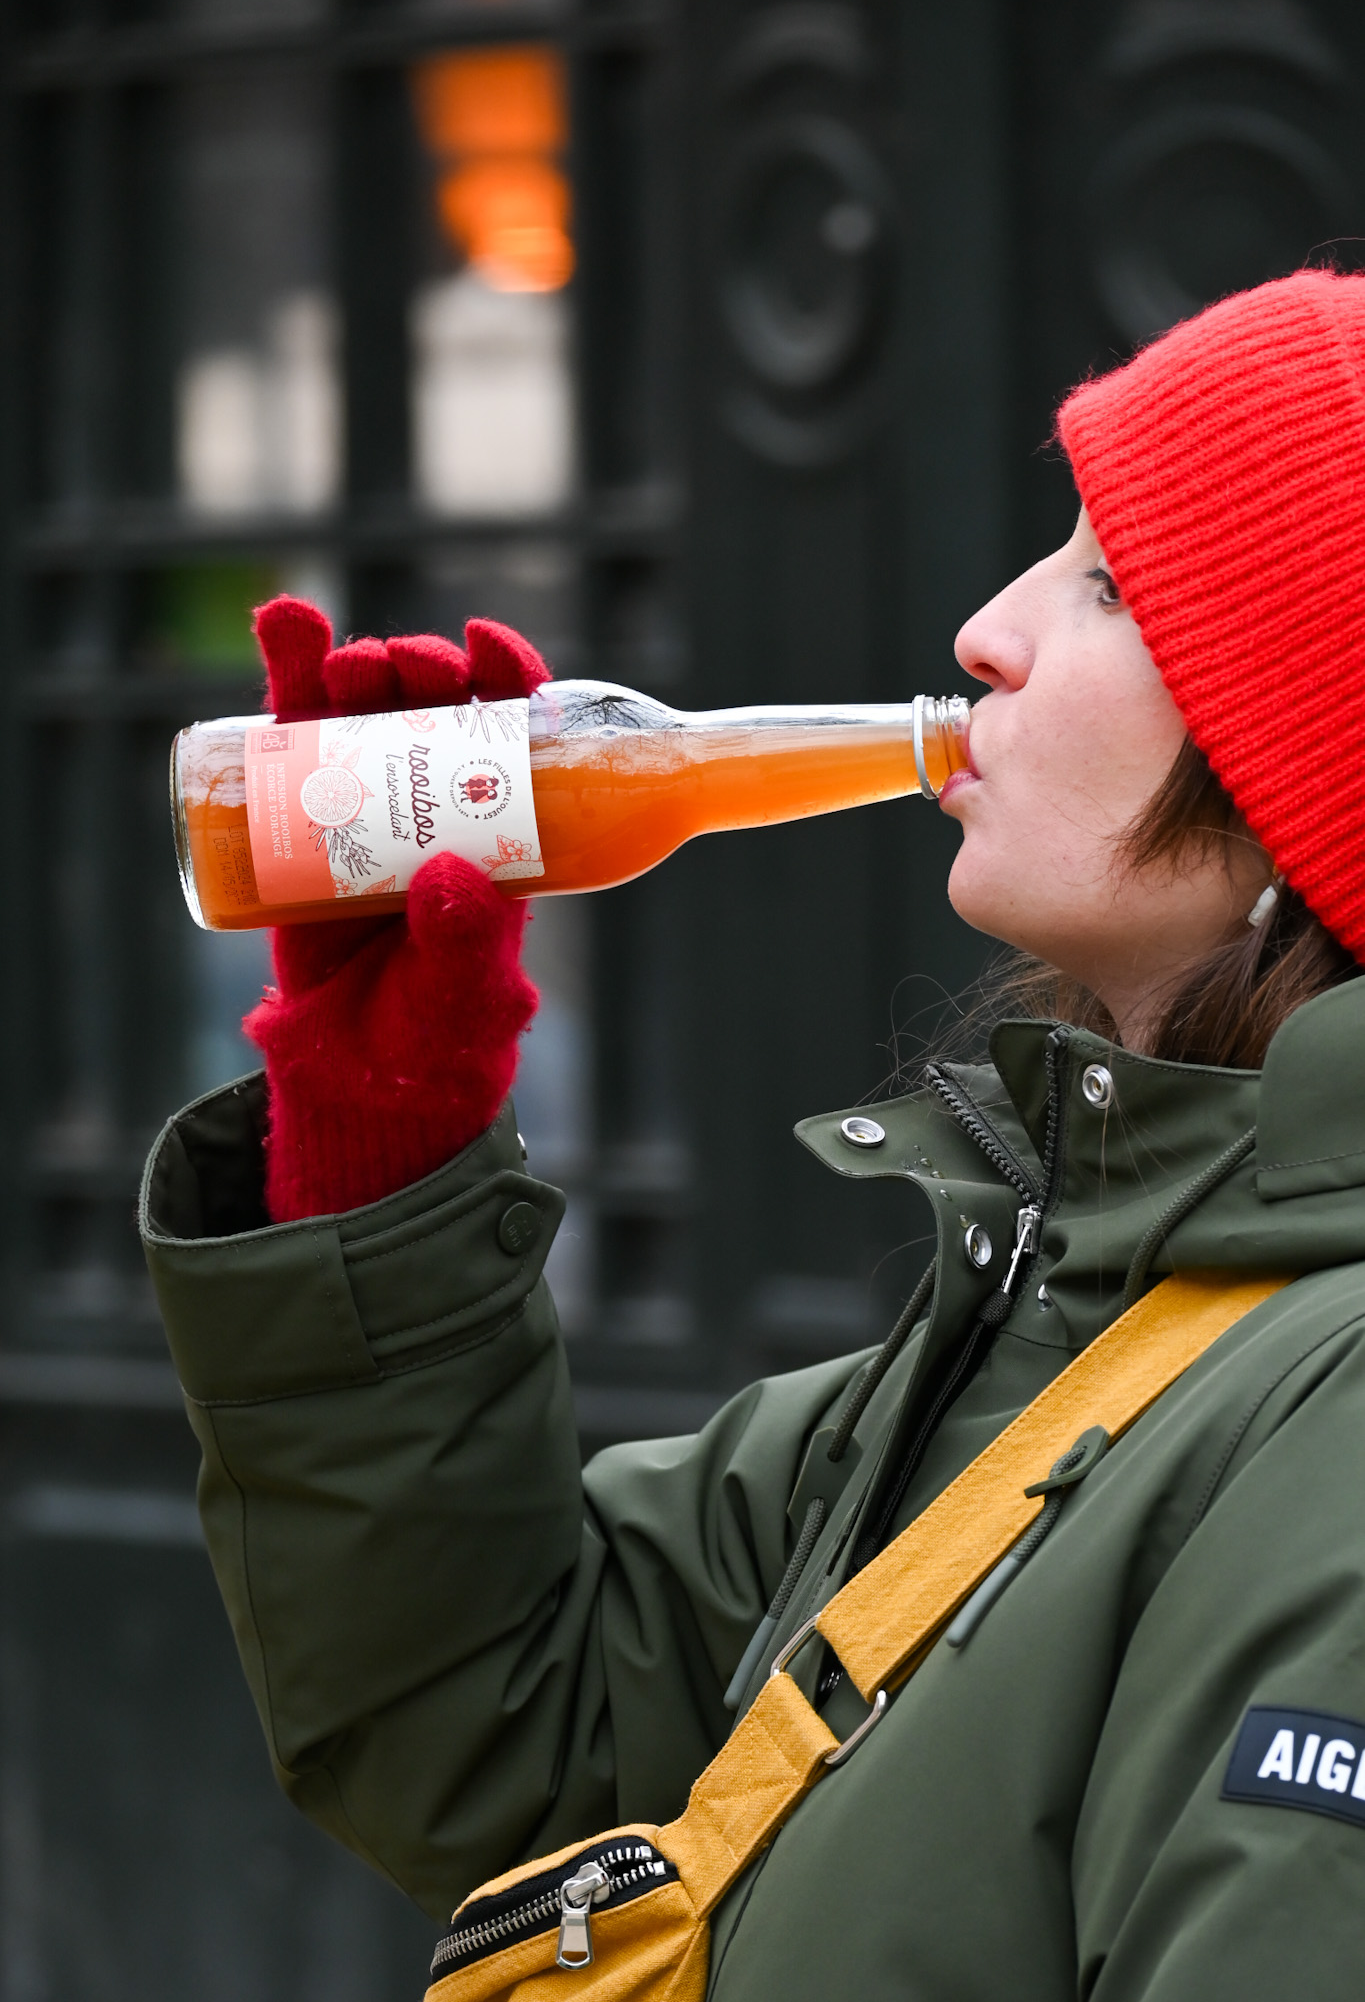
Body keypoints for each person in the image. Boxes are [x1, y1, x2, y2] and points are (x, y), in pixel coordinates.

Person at [141, 270, 1365, 1998]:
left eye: (1105, 583)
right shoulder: (1072, 1301)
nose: (987, 631)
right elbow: (511, 1745)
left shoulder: (1332, 1410)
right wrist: (384, 1134)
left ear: (1301, 772)